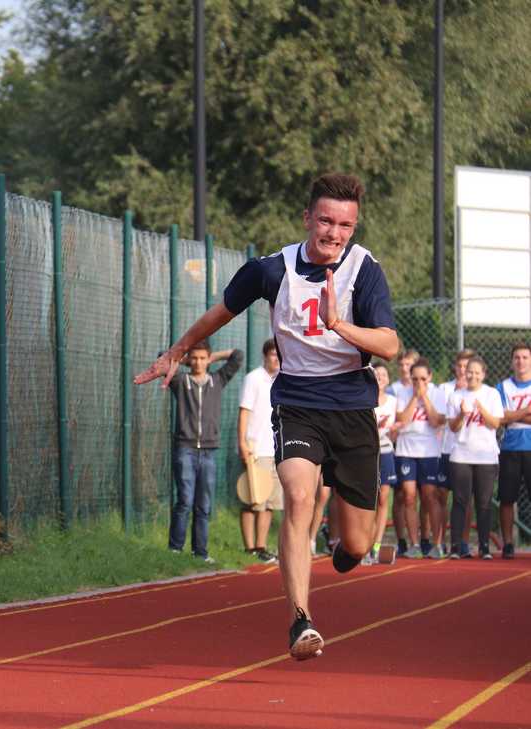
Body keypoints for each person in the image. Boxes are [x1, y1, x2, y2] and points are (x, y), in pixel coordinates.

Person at [135, 173, 398, 661]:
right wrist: (175, 351)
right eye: (325, 220)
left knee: (357, 545)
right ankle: (301, 620)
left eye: (345, 225)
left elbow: (389, 344)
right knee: (298, 498)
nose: (334, 233)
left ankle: (347, 548)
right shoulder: (270, 270)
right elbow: (219, 313)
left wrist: (340, 323)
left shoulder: (364, 270)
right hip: (297, 403)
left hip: (352, 408)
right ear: (307, 219)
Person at [165, 342, 244, 562]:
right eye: (195, 359)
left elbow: (237, 355)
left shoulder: (217, 380)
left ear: (208, 360)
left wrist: (213, 356)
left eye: (202, 359)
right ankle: (175, 549)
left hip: (209, 451)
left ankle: (200, 552)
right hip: (185, 449)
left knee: (204, 504)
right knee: (185, 500)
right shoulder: (180, 381)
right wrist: (185, 357)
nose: (198, 363)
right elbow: (163, 359)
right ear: (190, 360)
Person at [446, 356, 503, 559]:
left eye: (477, 372)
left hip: (486, 455)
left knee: (484, 502)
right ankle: (455, 546)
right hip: (461, 454)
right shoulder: (456, 396)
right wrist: (462, 414)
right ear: (464, 372)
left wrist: (481, 408)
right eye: (469, 371)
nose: (472, 375)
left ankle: (485, 546)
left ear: (483, 374)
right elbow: (453, 427)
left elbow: (496, 423)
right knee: (460, 501)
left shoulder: (492, 394)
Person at [394, 359, 446, 558]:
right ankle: (414, 544)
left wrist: (425, 398)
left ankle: (437, 544)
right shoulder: (402, 392)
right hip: (406, 450)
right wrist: (415, 398)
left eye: (423, 379)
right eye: (415, 379)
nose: (419, 383)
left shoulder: (438, 393)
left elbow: (436, 421)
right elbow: (403, 420)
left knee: (430, 496)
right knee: (408, 496)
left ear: (430, 377)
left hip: (429, 451)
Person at [237, 339, 282, 563]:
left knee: (269, 502)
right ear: (265, 355)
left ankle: (262, 546)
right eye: (273, 354)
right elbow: (244, 412)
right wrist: (243, 443)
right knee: (251, 498)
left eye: (279, 355)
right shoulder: (254, 379)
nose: (276, 358)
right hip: (256, 449)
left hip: (277, 450)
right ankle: (249, 547)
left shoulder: (284, 380)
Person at [438, 350, 475, 552]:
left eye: (467, 367)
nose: (463, 370)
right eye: (460, 366)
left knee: (464, 499)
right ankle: (441, 541)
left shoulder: (479, 392)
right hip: (445, 449)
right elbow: (441, 418)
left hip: (466, 451)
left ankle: (463, 542)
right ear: (455, 367)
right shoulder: (444, 389)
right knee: (441, 496)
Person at [362, 364, 398, 564]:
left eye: (384, 375)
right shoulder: (364, 399)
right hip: (367, 453)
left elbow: (396, 428)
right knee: (369, 499)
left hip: (385, 452)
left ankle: (376, 545)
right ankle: (363, 544)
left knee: (384, 498)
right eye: (377, 374)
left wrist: (394, 430)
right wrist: (376, 428)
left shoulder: (393, 401)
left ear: (388, 379)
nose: (380, 377)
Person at [498, 343, 531, 559]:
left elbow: (509, 416)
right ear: (512, 361)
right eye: (517, 357)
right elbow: (500, 418)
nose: (521, 361)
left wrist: (514, 415)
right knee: (507, 498)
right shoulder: (503, 387)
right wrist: (526, 411)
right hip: (510, 448)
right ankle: (508, 543)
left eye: (525, 357)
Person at [391, 349, 419, 556]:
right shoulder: (394, 390)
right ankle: (402, 540)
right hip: (400, 447)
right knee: (402, 495)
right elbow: (399, 419)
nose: (404, 368)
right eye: (401, 364)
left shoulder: (428, 388)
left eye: (408, 364)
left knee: (426, 496)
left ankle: (423, 539)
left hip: (425, 448)